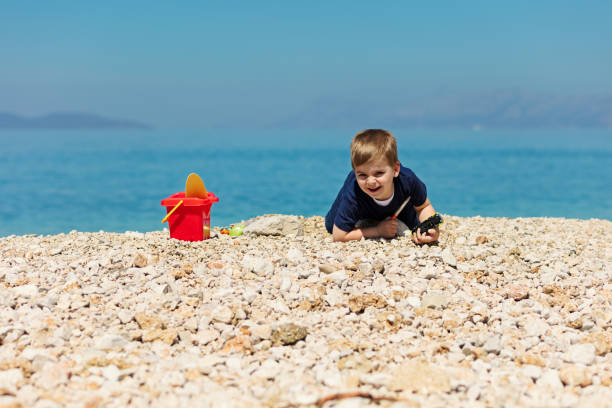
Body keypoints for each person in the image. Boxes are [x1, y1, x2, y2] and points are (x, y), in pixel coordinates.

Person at [325, 129, 440, 244]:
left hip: (397, 209)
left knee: (415, 226)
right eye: (362, 175)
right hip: (362, 209)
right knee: (331, 225)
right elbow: (339, 235)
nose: (370, 181)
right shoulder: (354, 191)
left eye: (379, 173)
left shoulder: (407, 180)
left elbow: (423, 206)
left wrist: (432, 230)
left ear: (395, 169)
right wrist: (377, 230)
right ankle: (367, 223)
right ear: (355, 172)